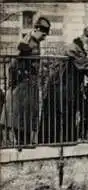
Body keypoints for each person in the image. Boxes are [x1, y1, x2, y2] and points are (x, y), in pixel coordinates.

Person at [39, 26, 88, 144]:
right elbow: (83, 64)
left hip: (67, 89)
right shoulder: (73, 48)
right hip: (59, 88)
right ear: (83, 39)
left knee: (68, 117)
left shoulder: (78, 48)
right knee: (58, 118)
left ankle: (66, 142)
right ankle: (54, 143)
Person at [0, 16, 51, 146]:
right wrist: (14, 82)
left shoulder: (34, 41)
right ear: (37, 29)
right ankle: (23, 146)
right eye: (43, 34)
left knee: (26, 121)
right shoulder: (26, 43)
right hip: (23, 87)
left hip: (29, 86)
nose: (45, 37)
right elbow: (13, 65)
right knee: (21, 121)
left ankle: (24, 145)